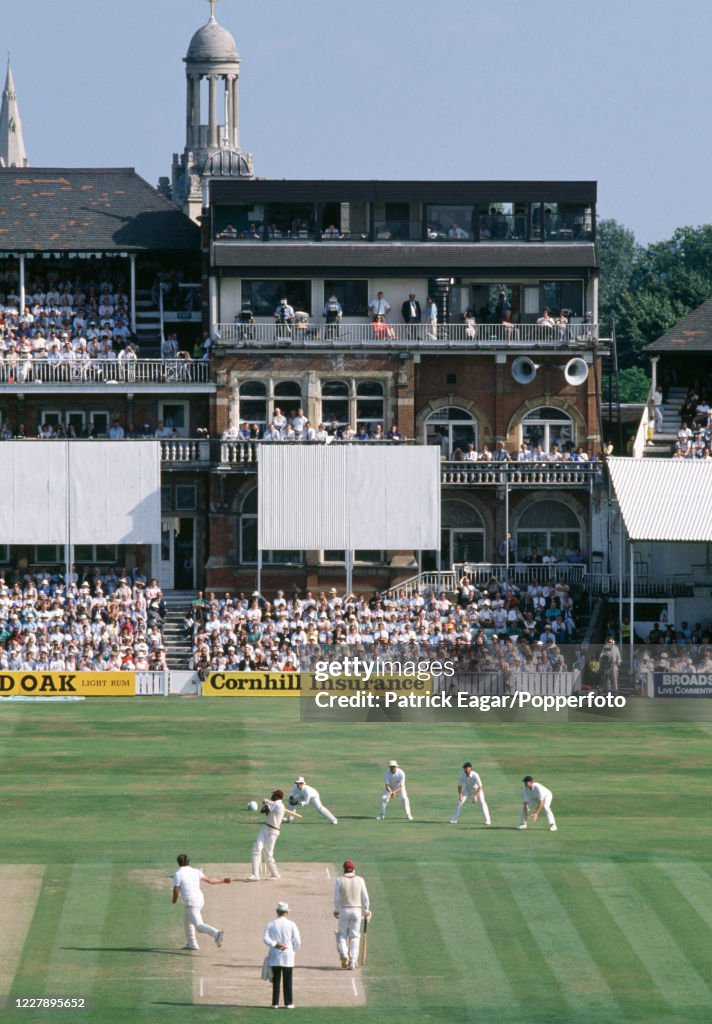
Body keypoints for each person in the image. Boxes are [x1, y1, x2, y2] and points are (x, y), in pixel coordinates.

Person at [171, 853, 230, 951]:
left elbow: (176, 889)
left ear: (178, 863)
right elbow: (210, 880)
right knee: (187, 921)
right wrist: (223, 880)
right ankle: (192, 944)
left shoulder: (178, 873)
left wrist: (174, 899)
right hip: (200, 899)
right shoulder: (196, 871)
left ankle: (216, 933)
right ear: (188, 862)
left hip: (191, 902)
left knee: (198, 926)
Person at [247, 788, 299, 880]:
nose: (272, 795)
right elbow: (265, 810)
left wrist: (266, 803)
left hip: (273, 831)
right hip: (265, 827)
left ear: (277, 796)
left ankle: (275, 874)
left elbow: (265, 811)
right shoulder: (275, 803)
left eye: (273, 794)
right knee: (256, 848)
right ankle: (255, 875)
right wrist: (267, 802)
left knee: (268, 853)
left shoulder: (278, 804)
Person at [333, 859, 371, 970]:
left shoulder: (339, 880)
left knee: (342, 935)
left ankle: (344, 954)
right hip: (357, 911)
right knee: (354, 936)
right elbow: (365, 897)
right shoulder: (360, 880)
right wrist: (367, 911)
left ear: (344, 869)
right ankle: (353, 961)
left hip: (344, 910)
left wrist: (336, 910)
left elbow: (336, 898)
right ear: (353, 869)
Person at [263, 901, 301, 1009]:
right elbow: (297, 941)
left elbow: (265, 939)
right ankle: (288, 1003)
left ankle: (275, 1003)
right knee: (288, 980)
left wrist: (275, 945)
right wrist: (292, 951)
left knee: (276, 980)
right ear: (286, 912)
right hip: (288, 956)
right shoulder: (292, 924)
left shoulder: (271, 924)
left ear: (277, 911)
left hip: (275, 955)